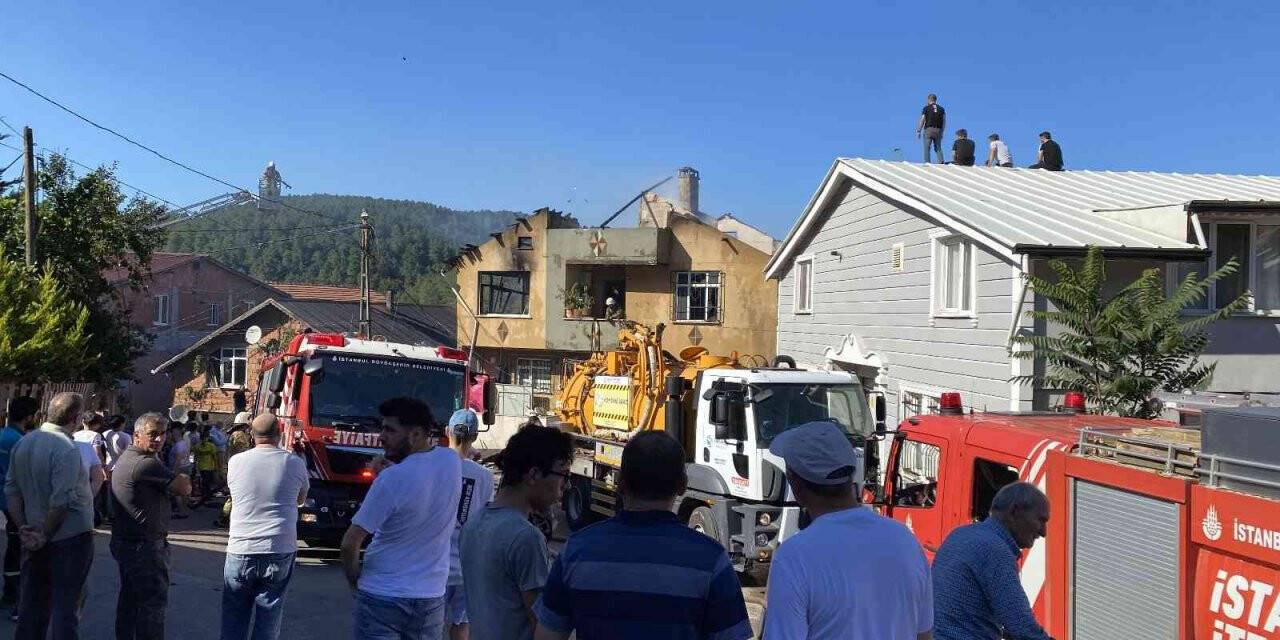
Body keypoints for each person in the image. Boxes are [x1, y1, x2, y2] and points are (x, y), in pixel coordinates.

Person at [535, 431, 751, 640]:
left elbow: (546, 635)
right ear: (682, 485)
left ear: (620, 484)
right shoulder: (713, 561)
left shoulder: (576, 551)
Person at [762, 421, 933, 639]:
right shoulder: (905, 541)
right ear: (850, 477)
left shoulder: (794, 558)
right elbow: (924, 635)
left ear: (796, 485)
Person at [340, 398, 461, 640]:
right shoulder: (451, 462)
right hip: (430, 596)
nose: (381, 436)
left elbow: (350, 543)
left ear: (416, 433)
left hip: (382, 595)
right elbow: (419, 481)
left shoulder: (391, 479)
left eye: (390, 430)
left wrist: (355, 581)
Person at [459, 423, 568, 640]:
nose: (565, 486)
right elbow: (542, 627)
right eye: (563, 475)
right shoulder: (524, 537)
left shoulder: (475, 523)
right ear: (534, 474)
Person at [3, 392, 96, 640]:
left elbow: (11, 490)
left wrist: (24, 527)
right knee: (66, 609)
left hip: (34, 535)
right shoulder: (66, 448)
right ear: (76, 418)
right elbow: (61, 501)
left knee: (32, 605)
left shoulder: (25, 442)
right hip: (68, 538)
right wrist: (43, 533)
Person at [222, 413, 309, 640]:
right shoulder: (295, 463)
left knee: (233, 616)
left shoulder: (236, 462)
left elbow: (236, 494)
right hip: (279, 547)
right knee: (269, 616)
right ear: (279, 434)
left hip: (241, 548)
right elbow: (300, 499)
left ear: (252, 434)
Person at [932, 482, 1052, 640]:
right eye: (1041, 520)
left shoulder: (960, 534)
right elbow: (1022, 628)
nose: (1043, 532)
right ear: (1015, 511)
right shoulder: (995, 550)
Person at [110, 412, 192, 640]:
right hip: (144, 547)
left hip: (130, 543)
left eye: (162, 434)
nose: (158, 439)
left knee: (130, 601)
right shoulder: (145, 463)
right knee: (151, 606)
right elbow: (183, 488)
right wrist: (184, 474)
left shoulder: (132, 457)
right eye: (152, 434)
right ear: (137, 435)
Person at [443, 409, 495, 640]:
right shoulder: (483, 476)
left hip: (435, 567)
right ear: (474, 437)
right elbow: (486, 517)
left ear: (447, 432)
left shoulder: (436, 466)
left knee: (428, 628)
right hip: (467, 568)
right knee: (462, 628)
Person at [0, 397, 39, 612]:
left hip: (4, 499)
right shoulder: (21, 441)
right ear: (29, 417)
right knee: (21, 550)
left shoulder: (3, 435)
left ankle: (10, 593)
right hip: (16, 502)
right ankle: (16, 597)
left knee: (13, 549)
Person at [218, 413, 255, 528]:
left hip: (234, 467)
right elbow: (243, 452)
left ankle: (225, 518)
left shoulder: (237, 434)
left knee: (233, 495)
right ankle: (224, 519)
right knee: (233, 496)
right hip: (238, 469)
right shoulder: (239, 435)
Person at [916, 94, 946, 163]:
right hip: (938, 130)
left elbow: (922, 119)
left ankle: (927, 162)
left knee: (927, 148)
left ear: (928, 99)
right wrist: (942, 131)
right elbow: (944, 121)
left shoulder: (926, 108)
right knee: (938, 147)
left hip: (928, 130)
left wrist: (919, 131)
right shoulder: (941, 109)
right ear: (935, 100)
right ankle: (941, 161)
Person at [193, 430, 220, 502]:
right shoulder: (201, 446)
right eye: (204, 438)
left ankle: (206, 494)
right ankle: (206, 495)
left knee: (206, 481)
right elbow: (196, 456)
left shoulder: (210, 446)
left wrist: (216, 465)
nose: (204, 439)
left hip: (207, 466)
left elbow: (214, 456)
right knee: (206, 481)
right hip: (205, 466)